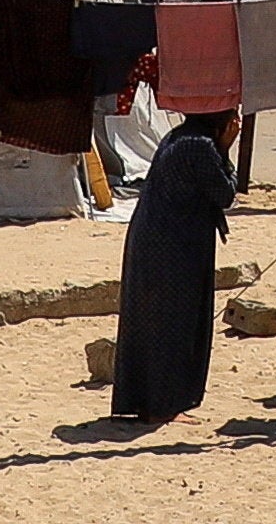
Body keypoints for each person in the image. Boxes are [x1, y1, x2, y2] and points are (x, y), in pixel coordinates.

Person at [109, 107, 237, 426]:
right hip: (176, 249)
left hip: (155, 240)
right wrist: (226, 148)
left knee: (151, 323)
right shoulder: (201, 146)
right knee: (173, 326)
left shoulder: (178, 137)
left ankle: (147, 402)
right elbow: (225, 194)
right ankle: (162, 406)